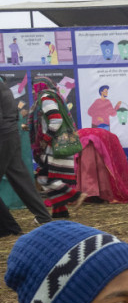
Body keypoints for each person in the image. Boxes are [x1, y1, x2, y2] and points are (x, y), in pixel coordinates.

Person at [27, 76, 86, 219]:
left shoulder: (46, 98)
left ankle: (76, 195)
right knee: (51, 177)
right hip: (57, 143)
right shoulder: (53, 96)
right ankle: (60, 214)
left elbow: (56, 119)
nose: (34, 90)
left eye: (35, 86)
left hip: (54, 145)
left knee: (44, 177)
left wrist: (45, 138)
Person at [0, 77, 52, 235]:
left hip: (2, 135)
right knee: (20, 178)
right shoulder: (2, 84)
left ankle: (8, 227)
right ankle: (43, 217)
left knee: (20, 177)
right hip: (9, 133)